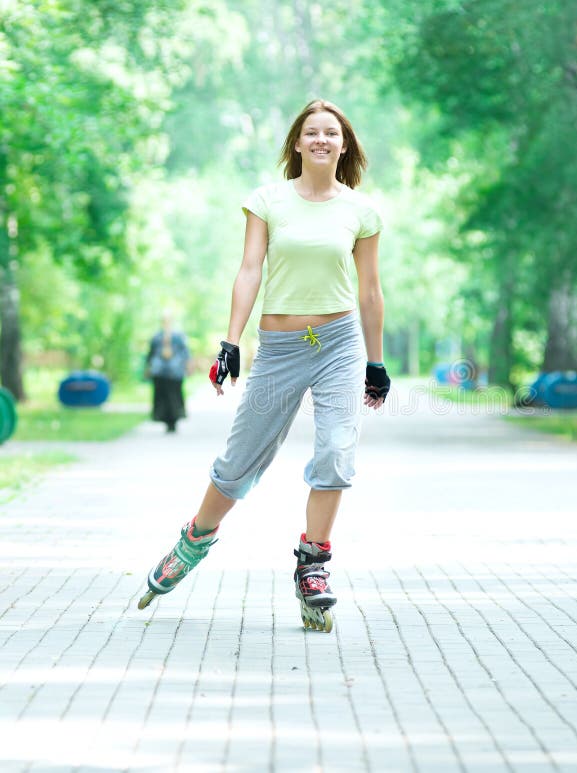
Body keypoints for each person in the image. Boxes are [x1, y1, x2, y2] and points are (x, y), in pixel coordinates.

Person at [138, 99, 391, 633]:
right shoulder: (268, 201)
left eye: (332, 133)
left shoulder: (361, 211)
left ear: (343, 145)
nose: (322, 140)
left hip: (340, 342)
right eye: (312, 132)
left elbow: (370, 291)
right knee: (240, 461)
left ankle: (313, 566)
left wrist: (376, 360)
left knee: (338, 450)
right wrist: (230, 341)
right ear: (297, 143)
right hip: (278, 347)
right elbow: (250, 269)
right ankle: (193, 541)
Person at [145, 312, 190, 433]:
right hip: (160, 372)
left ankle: (174, 420)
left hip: (174, 372)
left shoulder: (178, 337)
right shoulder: (156, 337)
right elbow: (151, 354)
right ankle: (165, 420)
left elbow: (185, 353)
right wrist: (148, 368)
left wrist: (187, 366)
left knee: (174, 397)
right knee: (162, 397)